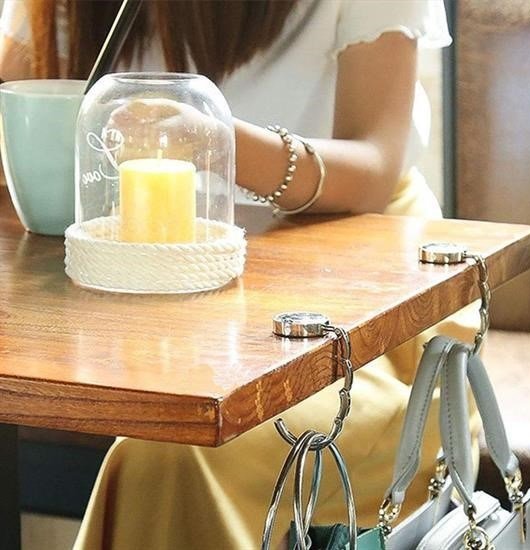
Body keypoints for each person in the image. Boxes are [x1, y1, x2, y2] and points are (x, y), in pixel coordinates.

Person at [0, 1, 480, 548]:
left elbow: (374, 169)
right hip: (147, 304)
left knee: (174, 456)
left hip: (361, 323)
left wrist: (217, 142)